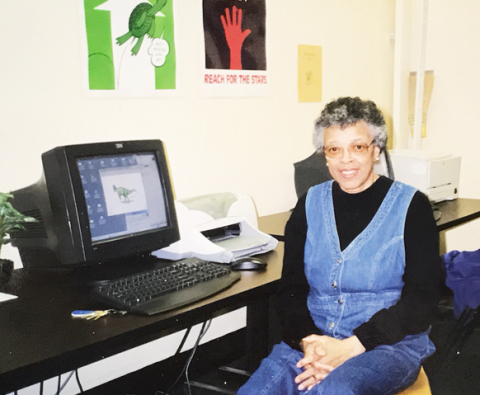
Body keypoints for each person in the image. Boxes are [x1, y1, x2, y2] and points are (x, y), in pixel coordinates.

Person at [237, 97, 442, 395]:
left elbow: (422, 299)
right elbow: (291, 289)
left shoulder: (414, 206)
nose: (345, 159)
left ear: (376, 150)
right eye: (334, 149)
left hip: (388, 345)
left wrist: (350, 347)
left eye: (357, 147)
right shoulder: (309, 204)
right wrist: (311, 343)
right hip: (314, 341)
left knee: (333, 391)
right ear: (325, 155)